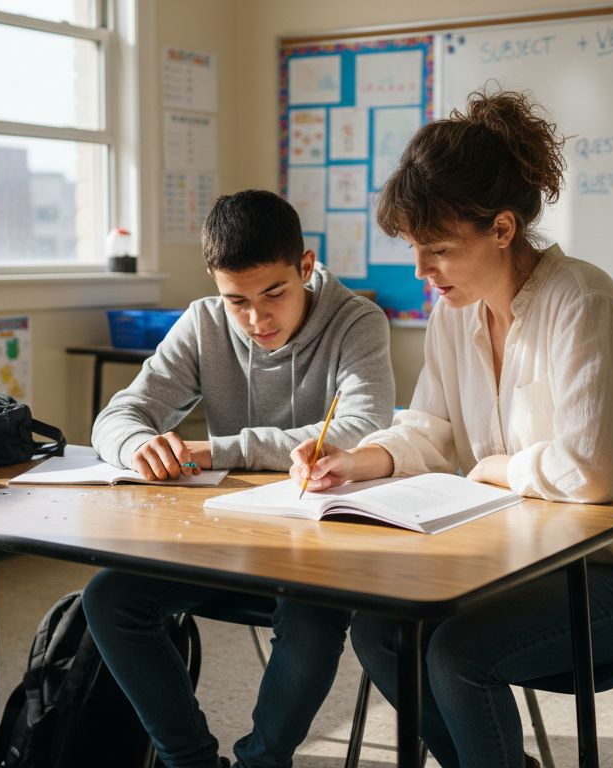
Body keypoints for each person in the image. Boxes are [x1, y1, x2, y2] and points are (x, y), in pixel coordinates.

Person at [290, 90, 613, 768]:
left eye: (439, 250)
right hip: (524, 564)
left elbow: (591, 473)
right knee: (380, 633)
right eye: (415, 249)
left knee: (459, 654)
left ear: (503, 229)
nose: (422, 271)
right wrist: (355, 460)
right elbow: (433, 429)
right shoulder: (455, 313)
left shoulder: (582, 300)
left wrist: (497, 468)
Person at [84, 189, 395, 768]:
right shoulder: (204, 322)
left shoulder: (357, 321)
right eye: (237, 301)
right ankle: (189, 761)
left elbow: (363, 427)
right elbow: (118, 415)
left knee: (311, 615)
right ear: (216, 285)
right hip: (233, 539)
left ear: (305, 266)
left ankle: (262, 763)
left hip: (324, 546)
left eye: (274, 293)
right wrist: (139, 445)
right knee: (109, 597)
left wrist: (217, 451)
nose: (257, 319)